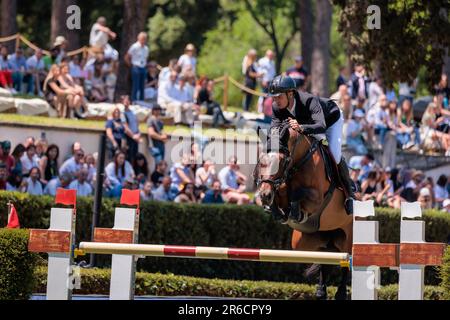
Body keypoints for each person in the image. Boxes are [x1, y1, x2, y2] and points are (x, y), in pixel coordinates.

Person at [266, 75, 355, 215]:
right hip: (306, 126)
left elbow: (321, 125)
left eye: (278, 97)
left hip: (330, 121)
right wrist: (270, 148)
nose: (275, 101)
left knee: (335, 154)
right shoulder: (277, 107)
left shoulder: (308, 100)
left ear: (290, 94)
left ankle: (349, 194)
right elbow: (274, 131)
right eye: (274, 97)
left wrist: (301, 128)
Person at [125, 32, 149, 102]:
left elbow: (145, 58)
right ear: (139, 38)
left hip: (143, 68)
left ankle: (141, 101)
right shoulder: (134, 46)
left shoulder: (146, 48)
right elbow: (126, 57)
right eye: (142, 39)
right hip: (136, 67)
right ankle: (134, 101)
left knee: (142, 86)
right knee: (135, 86)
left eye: (144, 39)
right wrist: (131, 65)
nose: (143, 40)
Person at [121, 95, 141, 162]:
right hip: (129, 138)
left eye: (128, 101)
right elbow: (126, 128)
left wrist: (138, 134)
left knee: (135, 157)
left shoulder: (133, 113)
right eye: (125, 101)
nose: (126, 102)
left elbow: (137, 125)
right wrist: (133, 136)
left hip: (135, 137)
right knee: (128, 157)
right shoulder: (122, 113)